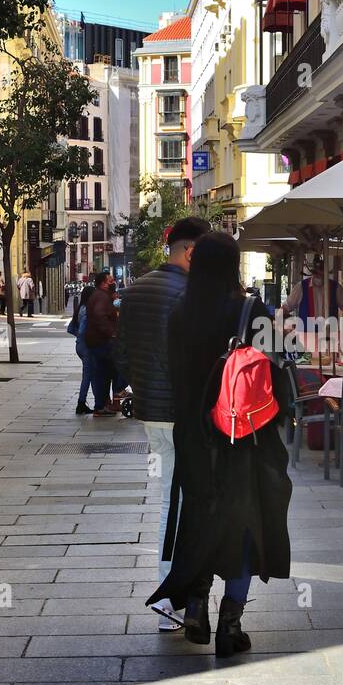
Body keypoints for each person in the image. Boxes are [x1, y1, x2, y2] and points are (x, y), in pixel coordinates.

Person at [146, 232, 293, 658]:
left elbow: (175, 376)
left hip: (194, 435)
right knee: (244, 526)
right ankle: (231, 623)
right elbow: (275, 368)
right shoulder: (250, 309)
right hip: (244, 438)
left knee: (199, 520)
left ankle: (195, 607)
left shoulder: (179, 313)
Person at [115, 217, 211, 632]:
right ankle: (170, 598)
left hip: (152, 410)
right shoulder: (192, 293)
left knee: (176, 500)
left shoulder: (134, 290)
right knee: (177, 505)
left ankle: (178, 595)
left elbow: (122, 353)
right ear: (191, 252)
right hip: (183, 413)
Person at [75, 271, 119, 417]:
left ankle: (102, 404)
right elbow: (100, 315)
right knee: (106, 373)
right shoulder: (101, 297)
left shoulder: (98, 295)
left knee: (102, 373)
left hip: (96, 340)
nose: (113, 281)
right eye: (110, 280)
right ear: (103, 283)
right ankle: (101, 405)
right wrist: (110, 332)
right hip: (101, 341)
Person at [283, 257, 343, 322]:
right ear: (312, 273)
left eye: (321, 273)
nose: (319, 276)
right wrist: (279, 321)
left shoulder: (335, 287)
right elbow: (287, 306)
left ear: (326, 273)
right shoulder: (301, 287)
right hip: (306, 336)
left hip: (329, 335)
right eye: (316, 273)